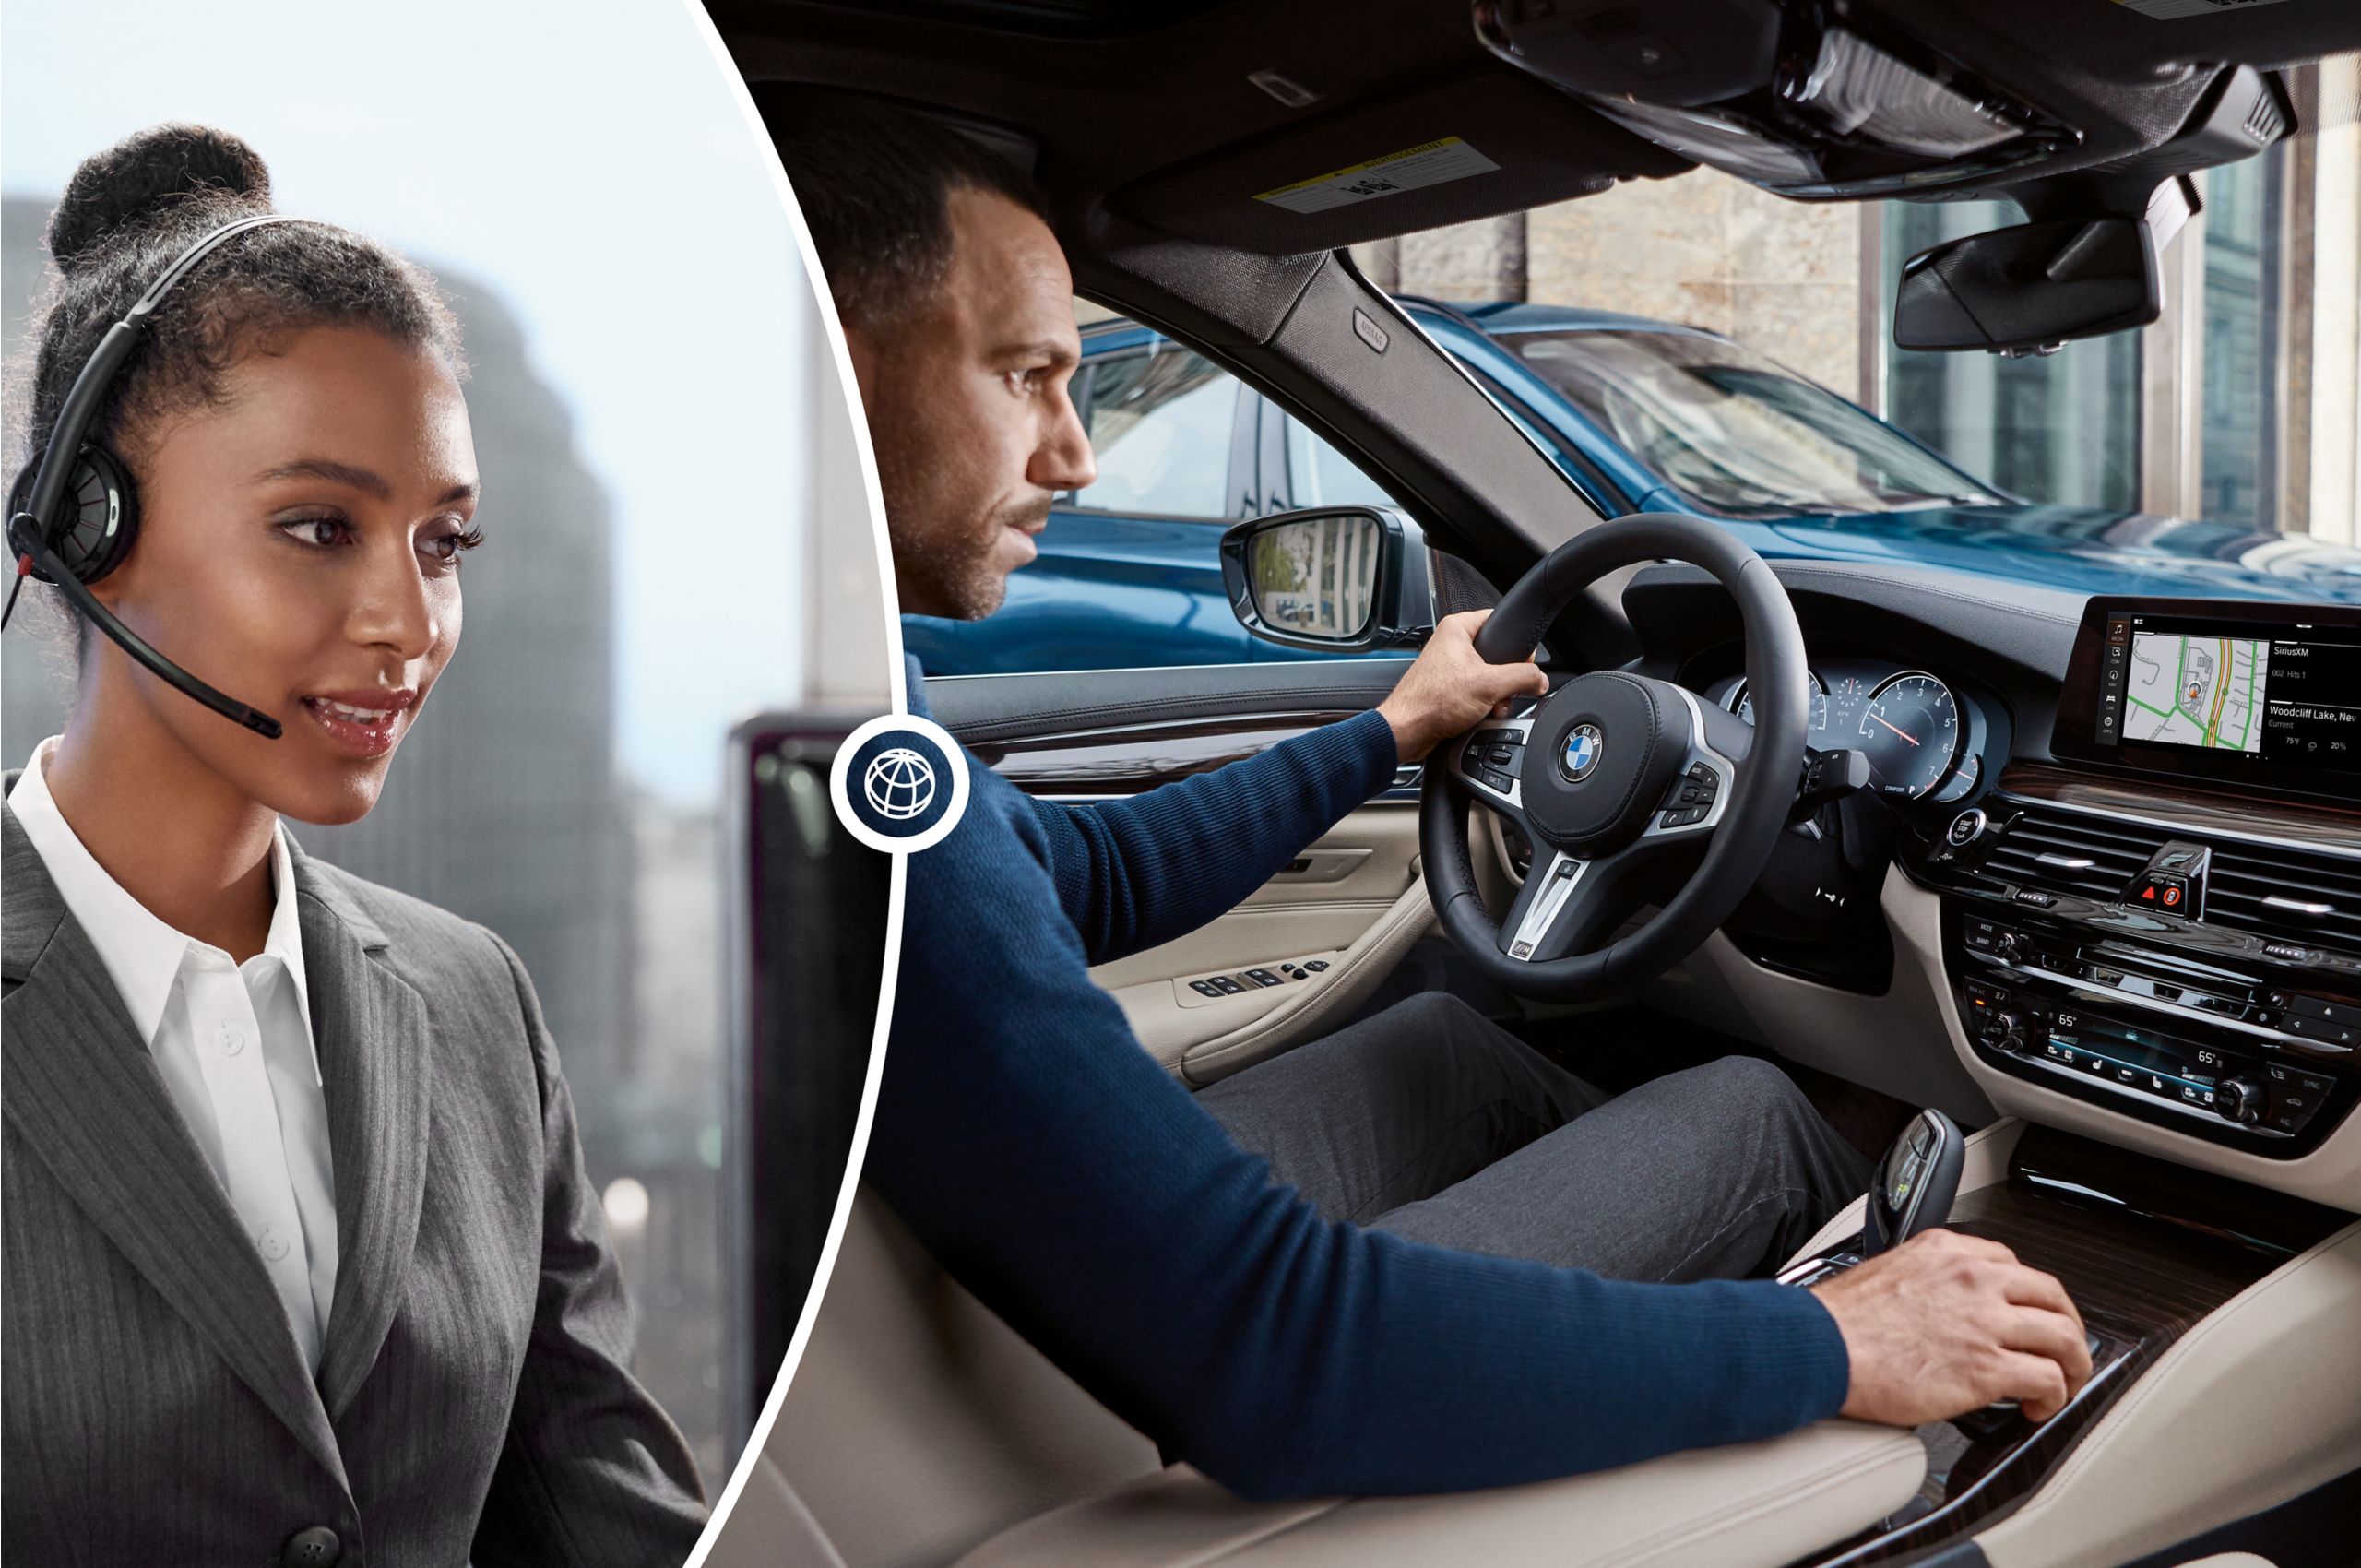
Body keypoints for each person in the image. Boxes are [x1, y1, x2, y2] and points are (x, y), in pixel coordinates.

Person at [767, 91, 2094, 1502]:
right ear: (832, 367)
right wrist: (1832, 1341)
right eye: (1025, 374)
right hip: (1060, 1417)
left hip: (974, 1307)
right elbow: (1285, 1351)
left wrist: (1391, 731)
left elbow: (1077, 877)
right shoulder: (843, 799)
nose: (1076, 454)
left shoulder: (817, 701)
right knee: (1750, 1114)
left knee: (1450, 1053)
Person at [1, 126, 706, 1566]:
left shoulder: (475, 1004)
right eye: (321, 526)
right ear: (82, 530)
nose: (410, 622)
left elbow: (602, 1513)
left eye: (444, 544)